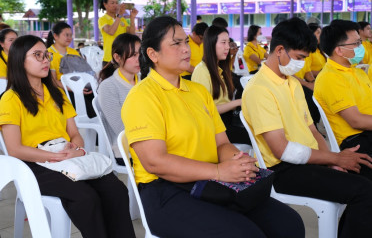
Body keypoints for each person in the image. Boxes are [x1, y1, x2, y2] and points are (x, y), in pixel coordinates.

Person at [122, 16, 304, 238]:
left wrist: (238, 160)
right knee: (245, 234)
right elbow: (155, 162)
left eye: (186, 42)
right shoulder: (143, 96)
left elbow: (222, 143)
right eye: (176, 43)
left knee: (289, 224)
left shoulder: (198, 92)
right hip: (166, 191)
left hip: (209, 180)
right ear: (153, 54)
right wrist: (218, 171)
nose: (186, 49)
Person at [242, 17, 372, 238]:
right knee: (365, 191)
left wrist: (332, 159)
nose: (301, 64)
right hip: (283, 170)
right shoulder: (259, 89)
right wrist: (333, 159)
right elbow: (282, 150)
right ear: (280, 50)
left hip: (310, 160)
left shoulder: (291, 82)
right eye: (299, 58)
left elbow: (313, 131)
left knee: (364, 178)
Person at [0, 35, 135, 238]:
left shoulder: (57, 94)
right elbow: (14, 149)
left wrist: (76, 149)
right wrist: (54, 156)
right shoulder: (11, 98)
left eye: (46, 55)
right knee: (86, 197)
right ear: (19, 60)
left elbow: (75, 134)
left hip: (65, 154)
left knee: (116, 191)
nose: (46, 60)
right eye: (37, 55)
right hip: (33, 164)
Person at [314, 19, 372, 180]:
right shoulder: (330, 78)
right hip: (357, 141)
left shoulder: (356, 71)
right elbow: (356, 120)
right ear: (339, 50)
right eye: (357, 43)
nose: (361, 48)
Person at [192, 25, 251, 144]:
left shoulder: (221, 69)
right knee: (255, 137)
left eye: (228, 43)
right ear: (211, 44)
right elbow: (205, 111)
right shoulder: (202, 71)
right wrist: (238, 102)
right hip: (214, 127)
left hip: (228, 122)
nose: (227, 47)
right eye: (223, 42)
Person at [98, 33, 141, 165]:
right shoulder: (108, 87)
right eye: (133, 55)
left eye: (140, 54)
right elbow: (121, 129)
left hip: (149, 140)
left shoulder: (144, 81)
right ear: (117, 57)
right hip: (125, 149)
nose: (139, 59)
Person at [46, 22, 95, 118]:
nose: (69, 38)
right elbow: (53, 81)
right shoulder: (49, 54)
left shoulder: (73, 52)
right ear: (55, 36)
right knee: (87, 106)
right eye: (66, 35)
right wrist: (74, 89)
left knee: (96, 100)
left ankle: (98, 124)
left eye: (71, 35)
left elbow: (84, 72)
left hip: (79, 85)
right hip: (63, 89)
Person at [99, 0, 138, 66]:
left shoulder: (122, 19)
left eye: (117, 3)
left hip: (123, 57)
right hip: (109, 58)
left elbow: (131, 34)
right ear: (105, 5)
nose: (115, 5)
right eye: (112, 3)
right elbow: (111, 32)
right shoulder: (103, 19)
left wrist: (132, 18)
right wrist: (119, 15)